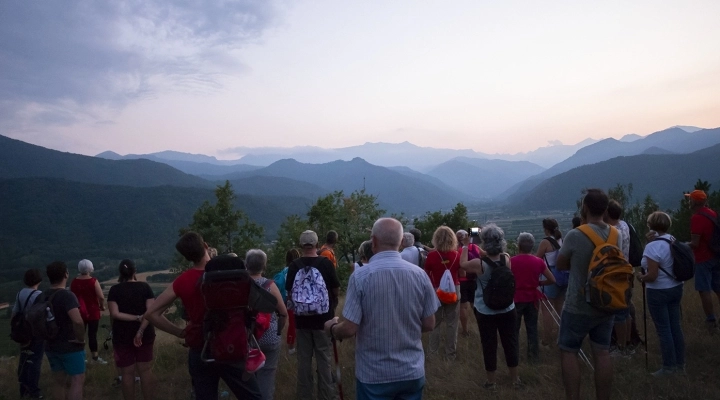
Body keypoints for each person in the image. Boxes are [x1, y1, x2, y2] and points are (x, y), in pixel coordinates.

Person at [324, 218, 440, 399]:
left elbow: (349, 328)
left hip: (374, 375)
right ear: (401, 242)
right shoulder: (420, 275)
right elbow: (429, 323)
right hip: (411, 371)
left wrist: (332, 328)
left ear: (374, 241)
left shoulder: (361, 276)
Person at [145, 232, 262, 399]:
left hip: (201, 348)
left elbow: (151, 314)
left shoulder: (182, 281)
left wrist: (180, 332)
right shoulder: (232, 273)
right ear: (206, 245)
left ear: (187, 257)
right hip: (233, 344)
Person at [555, 188, 617, 400]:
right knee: (602, 352)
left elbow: (560, 264)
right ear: (606, 209)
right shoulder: (615, 233)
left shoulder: (575, 234)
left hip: (578, 304)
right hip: (607, 302)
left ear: (585, 208)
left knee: (569, 351)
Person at [460, 224, 520, 391]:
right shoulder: (507, 258)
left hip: (485, 310)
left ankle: (491, 382)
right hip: (508, 308)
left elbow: (463, 264)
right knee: (510, 342)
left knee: (489, 344)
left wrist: (466, 245)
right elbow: (494, 260)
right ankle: (515, 379)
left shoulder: (478, 264)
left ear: (484, 242)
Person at [286, 230, 340, 400]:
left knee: (304, 361)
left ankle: (304, 396)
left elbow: (290, 293)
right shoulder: (325, 263)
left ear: (301, 245)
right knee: (324, 359)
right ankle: (326, 396)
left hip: (302, 321)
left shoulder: (294, 266)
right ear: (317, 244)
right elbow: (335, 288)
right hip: (324, 321)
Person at [636, 212, 686, 376]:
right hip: (676, 287)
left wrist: (641, 277)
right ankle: (680, 364)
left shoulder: (652, 246)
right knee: (675, 327)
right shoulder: (672, 240)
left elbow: (652, 275)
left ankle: (668, 367)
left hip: (658, 291)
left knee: (664, 330)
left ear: (651, 226)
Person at [107, 259, 156, 400]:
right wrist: (140, 330)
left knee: (127, 373)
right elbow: (150, 313)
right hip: (145, 334)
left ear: (120, 273)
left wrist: (135, 318)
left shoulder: (114, 290)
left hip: (121, 336)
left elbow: (115, 314)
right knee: (145, 371)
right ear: (135, 271)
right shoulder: (145, 287)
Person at [246, 249, 288, 400]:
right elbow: (283, 313)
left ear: (246, 265)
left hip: (247, 339)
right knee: (267, 375)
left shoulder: (240, 286)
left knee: (248, 376)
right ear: (264, 266)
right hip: (269, 337)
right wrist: (277, 332)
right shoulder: (270, 285)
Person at [43, 261, 87, 400]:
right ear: (66, 274)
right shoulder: (67, 296)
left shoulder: (41, 296)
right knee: (77, 380)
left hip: (50, 345)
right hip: (70, 345)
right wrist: (80, 339)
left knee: (58, 382)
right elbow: (78, 320)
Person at [512, 233, 555, 362]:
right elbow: (552, 279)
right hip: (532, 299)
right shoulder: (538, 261)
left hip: (516, 298)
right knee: (532, 329)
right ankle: (533, 358)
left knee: (514, 330)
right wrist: (539, 283)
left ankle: (514, 357)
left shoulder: (511, 261)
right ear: (532, 246)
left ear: (519, 245)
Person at [685, 189, 720, 334]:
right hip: (716, 256)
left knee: (704, 289)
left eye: (690, 199)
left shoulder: (697, 218)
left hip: (703, 259)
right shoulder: (712, 213)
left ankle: (711, 321)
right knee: (718, 288)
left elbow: (695, 243)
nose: (689, 201)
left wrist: (678, 245)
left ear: (694, 202)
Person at [424, 226, 461, 360]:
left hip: (436, 292)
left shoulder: (432, 256)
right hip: (454, 291)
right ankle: (450, 354)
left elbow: (427, 275)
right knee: (452, 324)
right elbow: (461, 273)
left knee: (435, 324)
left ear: (436, 239)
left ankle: (432, 353)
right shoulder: (457, 255)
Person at [605, 200, 634, 356]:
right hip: (627, 272)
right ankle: (627, 343)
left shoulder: (612, 231)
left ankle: (621, 348)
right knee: (626, 310)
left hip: (616, 275)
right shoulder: (624, 225)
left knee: (619, 314)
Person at [13, 268, 44, 399]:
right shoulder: (40, 295)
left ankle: (23, 389)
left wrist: (15, 329)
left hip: (23, 331)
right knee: (35, 361)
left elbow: (15, 313)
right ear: (39, 280)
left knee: (24, 359)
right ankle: (34, 391)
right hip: (36, 332)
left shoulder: (20, 293)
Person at [70, 259, 107, 365]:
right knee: (92, 335)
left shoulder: (74, 282)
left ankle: (79, 356)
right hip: (92, 311)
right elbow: (100, 296)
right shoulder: (93, 281)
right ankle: (95, 357)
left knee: (79, 335)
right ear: (91, 268)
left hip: (78, 311)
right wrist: (102, 306)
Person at [536, 218, 564, 347]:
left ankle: (547, 340)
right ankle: (562, 336)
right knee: (560, 308)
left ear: (546, 229)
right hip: (562, 275)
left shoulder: (545, 242)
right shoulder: (561, 240)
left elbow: (537, 260)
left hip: (550, 275)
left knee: (547, 310)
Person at [456, 229, 482, 337]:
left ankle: (465, 331)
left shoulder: (458, 250)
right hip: (475, 280)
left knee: (463, 307)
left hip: (462, 281)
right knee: (476, 305)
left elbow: (461, 270)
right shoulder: (475, 247)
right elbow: (484, 255)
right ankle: (482, 327)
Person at [275, 248, 301, 355]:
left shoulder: (284, 271)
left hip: (285, 299)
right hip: (296, 299)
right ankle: (292, 347)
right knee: (295, 323)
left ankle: (290, 345)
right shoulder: (298, 270)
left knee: (291, 323)